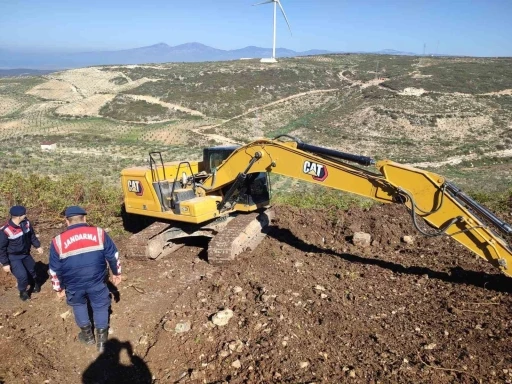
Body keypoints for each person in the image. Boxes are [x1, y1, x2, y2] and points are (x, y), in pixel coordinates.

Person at [49, 206, 122, 352]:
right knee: (100, 305)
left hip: (73, 284)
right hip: (97, 280)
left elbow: (54, 270)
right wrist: (116, 273)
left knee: (79, 305)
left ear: (66, 221)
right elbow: (113, 256)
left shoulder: (57, 241)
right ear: (85, 218)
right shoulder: (99, 233)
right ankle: (102, 342)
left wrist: (59, 288)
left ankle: (88, 337)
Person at [0, 205, 43, 301]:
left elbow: (31, 235)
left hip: (25, 253)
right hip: (13, 257)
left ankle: (35, 283)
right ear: (19, 216)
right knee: (22, 275)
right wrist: (5, 263)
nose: (26, 215)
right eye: (24, 214)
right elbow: (1, 248)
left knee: (33, 270)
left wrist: (37, 246)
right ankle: (23, 292)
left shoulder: (26, 223)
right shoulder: (5, 230)